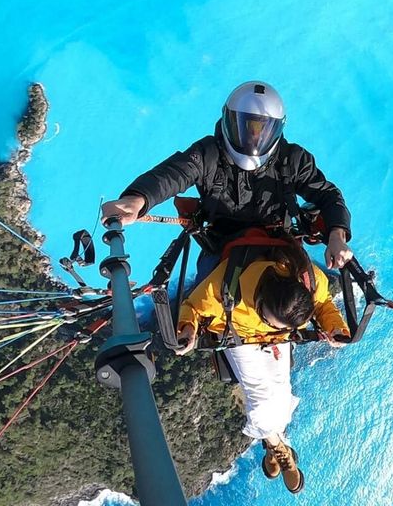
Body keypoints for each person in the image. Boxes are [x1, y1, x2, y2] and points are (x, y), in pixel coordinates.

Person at [100, 81, 354, 274]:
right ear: (228, 120)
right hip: (221, 247)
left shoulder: (293, 159)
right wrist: (138, 198)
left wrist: (336, 234)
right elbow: (173, 174)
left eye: (262, 129)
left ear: (277, 129)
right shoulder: (208, 153)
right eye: (246, 126)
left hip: (280, 244)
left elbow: (328, 195)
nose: (253, 138)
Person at [175, 241, 348, 494]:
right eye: (273, 322)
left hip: (278, 341)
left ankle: (272, 441)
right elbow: (193, 307)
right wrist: (187, 330)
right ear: (259, 303)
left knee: (281, 391)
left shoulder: (307, 278)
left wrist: (335, 328)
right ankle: (276, 444)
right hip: (241, 336)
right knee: (260, 398)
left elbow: (323, 304)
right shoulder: (226, 285)